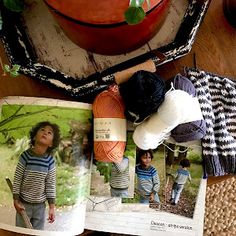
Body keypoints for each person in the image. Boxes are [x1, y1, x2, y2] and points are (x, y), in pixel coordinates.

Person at [13, 121, 60, 230]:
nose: (45, 133)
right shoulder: (25, 156)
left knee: (38, 232)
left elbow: (50, 184)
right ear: (34, 137)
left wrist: (52, 207)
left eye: (49, 132)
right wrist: (15, 200)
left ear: (51, 143)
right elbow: (17, 179)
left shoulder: (50, 161)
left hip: (40, 207)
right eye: (42, 130)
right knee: (21, 232)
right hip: (23, 205)